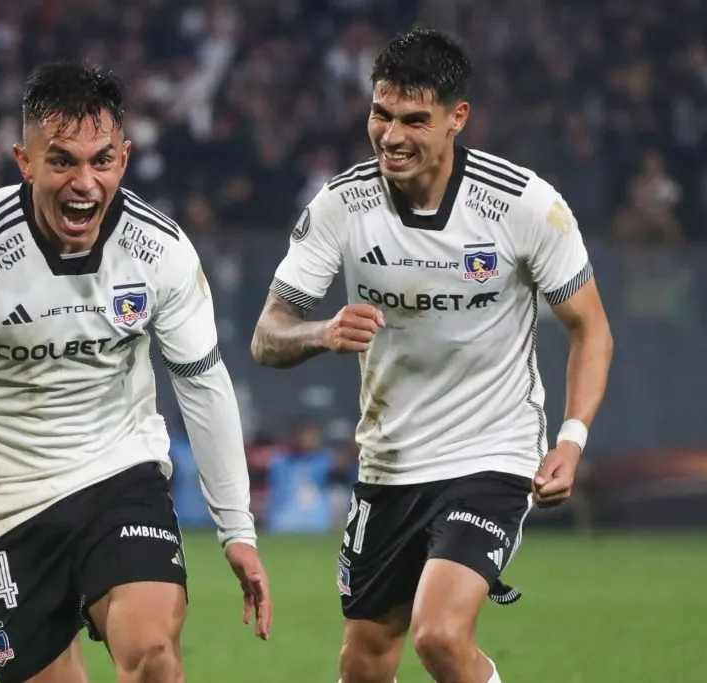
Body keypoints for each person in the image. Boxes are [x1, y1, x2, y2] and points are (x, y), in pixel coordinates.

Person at [0, 60, 273, 683]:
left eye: (102, 160)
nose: (84, 182)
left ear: (125, 157)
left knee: (153, 656)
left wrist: (236, 528)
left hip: (117, 475)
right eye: (62, 160)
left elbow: (201, 384)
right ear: (24, 160)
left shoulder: (159, 250)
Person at [250, 28, 613, 683]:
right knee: (363, 659)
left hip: (491, 453)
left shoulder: (522, 205)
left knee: (441, 636)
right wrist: (321, 332)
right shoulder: (342, 206)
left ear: (457, 119)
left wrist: (572, 438)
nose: (392, 136)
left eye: (415, 120)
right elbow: (268, 333)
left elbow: (591, 328)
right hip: (389, 461)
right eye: (381, 115)